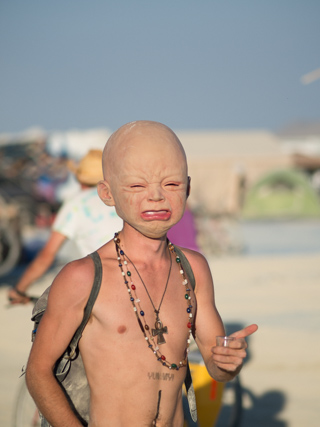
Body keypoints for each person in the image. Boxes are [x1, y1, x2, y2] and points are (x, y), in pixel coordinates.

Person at [25, 121, 258, 427]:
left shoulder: (193, 269)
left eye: (172, 185)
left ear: (187, 188)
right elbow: (38, 372)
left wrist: (227, 362)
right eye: (137, 186)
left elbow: (216, 367)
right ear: (107, 193)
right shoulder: (83, 277)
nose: (157, 196)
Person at [8, 149, 123, 304]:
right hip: (137, 281)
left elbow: (47, 255)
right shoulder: (123, 198)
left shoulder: (76, 204)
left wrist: (19, 290)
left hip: (106, 287)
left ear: (80, 179)